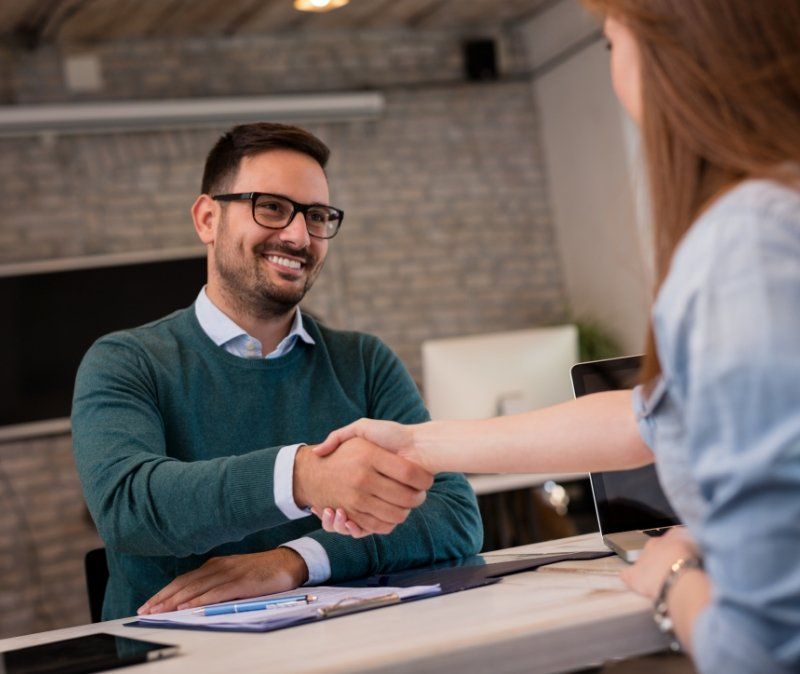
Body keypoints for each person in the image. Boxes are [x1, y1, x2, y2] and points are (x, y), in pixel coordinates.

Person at [313, 2, 800, 672]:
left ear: (675, 53)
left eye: (609, 47)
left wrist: (674, 576)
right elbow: (648, 419)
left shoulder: (746, 243)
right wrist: (420, 444)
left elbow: (765, 650)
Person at [71, 122, 482, 621]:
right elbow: (127, 507)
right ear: (207, 219)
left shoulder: (364, 362)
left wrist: (297, 562)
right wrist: (303, 476)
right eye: (270, 207)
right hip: (180, 657)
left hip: (350, 647)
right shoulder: (125, 361)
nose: (298, 235)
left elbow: (454, 514)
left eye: (316, 215)